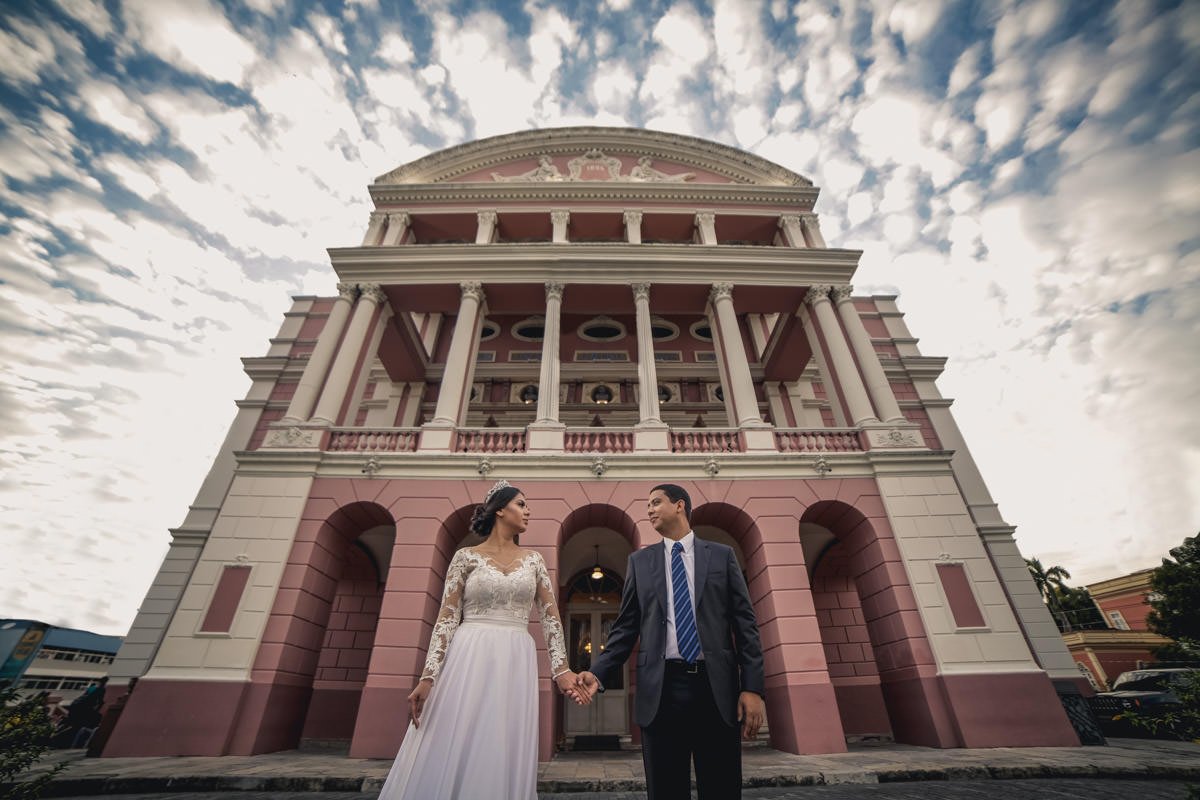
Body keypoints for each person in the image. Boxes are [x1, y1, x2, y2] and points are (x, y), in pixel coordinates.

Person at [377, 480, 589, 799]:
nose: (528, 511)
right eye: (521, 504)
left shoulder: (534, 560)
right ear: (500, 510)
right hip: (469, 652)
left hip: (516, 655)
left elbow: (550, 617)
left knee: (501, 737)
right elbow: (447, 618)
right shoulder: (465, 558)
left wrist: (562, 671)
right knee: (457, 731)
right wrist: (428, 677)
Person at [577, 484, 765, 799]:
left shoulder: (722, 556)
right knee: (665, 790)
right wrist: (597, 672)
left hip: (716, 689)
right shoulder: (640, 562)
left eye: (656, 502)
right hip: (661, 690)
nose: (649, 510)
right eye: (648, 505)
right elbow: (625, 628)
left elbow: (745, 624)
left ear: (679, 505)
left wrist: (753, 688)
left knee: (721, 788)